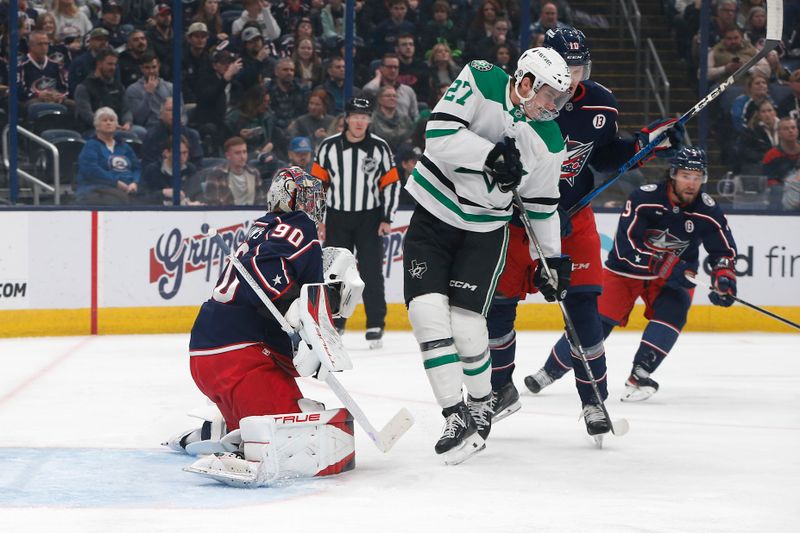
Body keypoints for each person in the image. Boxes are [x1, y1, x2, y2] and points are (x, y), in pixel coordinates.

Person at [493, 28, 685, 436]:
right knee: (501, 306)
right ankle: (498, 387)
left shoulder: (601, 103)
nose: (575, 79)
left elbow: (606, 156)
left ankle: (594, 400)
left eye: (581, 69)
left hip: (573, 216)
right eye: (567, 69)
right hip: (516, 218)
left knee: (583, 309)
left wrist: (647, 143)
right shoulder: (521, 98)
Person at [403, 49, 571, 464]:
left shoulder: (550, 142)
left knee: (465, 324)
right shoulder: (482, 78)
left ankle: (481, 402)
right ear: (526, 82)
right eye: (550, 95)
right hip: (434, 214)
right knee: (426, 314)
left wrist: (550, 260)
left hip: (485, 231)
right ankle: (454, 414)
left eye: (560, 100)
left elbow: (542, 205)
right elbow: (438, 134)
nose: (554, 106)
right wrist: (491, 155)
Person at [175, 167, 358, 484]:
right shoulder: (301, 229)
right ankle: (244, 443)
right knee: (303, 433)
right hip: (240, 359)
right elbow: (265, 273)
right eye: (309, 198)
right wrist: (294, 307)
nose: (314, 206)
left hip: (208, 355)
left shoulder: (263, 228)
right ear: (290, 199)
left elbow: (260, 274)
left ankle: (223, 428)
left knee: (292, 411)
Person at [601, 147, 737, 401]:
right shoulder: (644, 198)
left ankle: (640, 372)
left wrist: (724, 276)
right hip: (626, 273)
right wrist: (660, 264)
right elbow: (625, 247)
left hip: (673, 276)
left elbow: (723, 250)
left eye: (698, 177)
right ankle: (550, 371)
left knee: (675, 311)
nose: (692, 183)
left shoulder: (708, 209)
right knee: (596, 324)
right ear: (673, 174)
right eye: (686, 175)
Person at [311, 97, 400, 347]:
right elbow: (318, 186)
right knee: (336, 272)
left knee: (371, 272)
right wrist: (319, 220)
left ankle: (375, 324)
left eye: (365, 116)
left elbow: (391, 183)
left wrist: (387, 217)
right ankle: (335, 323)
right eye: (356, 116)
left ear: (369, 119)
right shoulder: (328, 147)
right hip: (337, 216)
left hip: (369, 218)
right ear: (346, 118)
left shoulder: (380, 148)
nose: (360, 121)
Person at [75, 107, 142, 205]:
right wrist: (116, 183)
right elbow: (91, 170)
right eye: (104, 120)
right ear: (97, 125)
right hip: (98, 189)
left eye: (111, 120)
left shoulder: (124, 146)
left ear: (116, 125)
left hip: (128, 188)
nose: (108, 123)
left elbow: (137, 168)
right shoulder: (91, 145)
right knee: (118, 200)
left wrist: (135, 182)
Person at [74, 48, 136, 134]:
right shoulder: (83, 87)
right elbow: (86, 115)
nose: (113, 68)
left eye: (115, 64)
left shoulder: (119, 86)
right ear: (99, 64)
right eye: (110, 64)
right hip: (93, 130)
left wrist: (127, 123)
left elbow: (126, 110)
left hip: (118, 127)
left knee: (140, 132)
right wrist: (109, 125)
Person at [141, 135, 202, 205]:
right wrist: (163, 193)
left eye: (185, 153)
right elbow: (142, 197)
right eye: (177, 153)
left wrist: (193, 203)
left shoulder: (191, 169)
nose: (181, 157)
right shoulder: (152, 170)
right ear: (166, 153)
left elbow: (197, 193)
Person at [124, 53, 176, 129]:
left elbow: (182, 112)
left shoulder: (171, 87)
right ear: (141, 69)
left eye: (154, 67)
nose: (151, 71)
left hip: (171, 126)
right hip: (149, 128)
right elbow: (138, 119)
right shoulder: (133, 90)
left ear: (159, 67)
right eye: (147, 68)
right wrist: (148, 94)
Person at [370, 85, 414, 150]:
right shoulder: (372, 119)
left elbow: (411, 138)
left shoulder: (405, 119)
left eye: (394, 96)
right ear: (379, 99)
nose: (392, 98)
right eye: (388, 96)